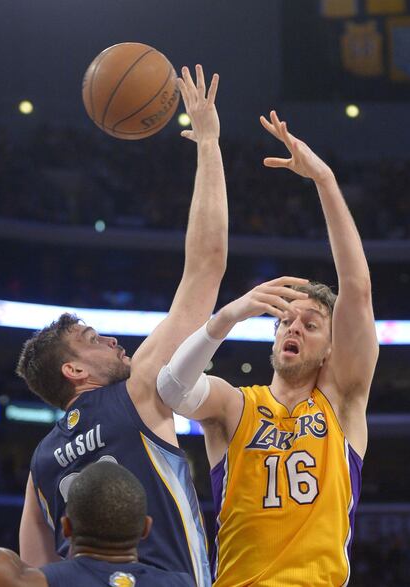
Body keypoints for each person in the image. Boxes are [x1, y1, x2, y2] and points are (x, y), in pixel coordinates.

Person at [16, 64, 228, 587]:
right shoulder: (135, 392)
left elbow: (31, 570)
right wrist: (207, 143)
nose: (111, 339)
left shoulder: (41, 463)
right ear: (73, 369)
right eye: (92, 340)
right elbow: (207, 264)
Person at [157, 111, 379, 586]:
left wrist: (324, 179)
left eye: (311, 324)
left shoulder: (342, 401)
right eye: (285, 320)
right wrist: (226, 317)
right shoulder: (236, 405)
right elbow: (172, 389)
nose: (293, 327)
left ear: (330, 351)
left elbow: (356, 289)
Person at [0, 460, 194, 587]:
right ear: (145, 528)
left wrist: (36, 472)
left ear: (66, 527)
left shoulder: (33, 582)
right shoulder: (183, 584)